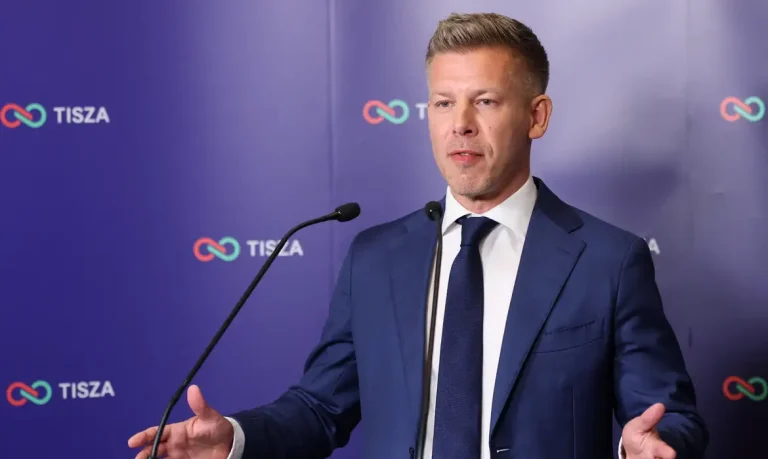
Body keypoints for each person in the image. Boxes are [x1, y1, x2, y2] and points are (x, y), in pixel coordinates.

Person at [129, 12, 708, 459]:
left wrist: (654, 444)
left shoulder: (608, 260)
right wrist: (234, 439)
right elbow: (320, 408)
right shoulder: (376, 257)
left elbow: (672, 414)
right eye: (442, 102)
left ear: (536, 116)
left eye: (485, 101)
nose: (461, 123)